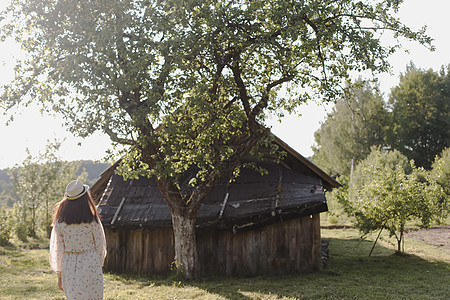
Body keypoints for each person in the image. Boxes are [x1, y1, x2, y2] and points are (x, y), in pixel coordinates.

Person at [49, 180, 107, 300]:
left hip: (69, 264)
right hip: (91, 262)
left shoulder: (60, 223)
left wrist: (59, 274)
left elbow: (58, 250)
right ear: (86, 198)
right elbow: (100, 244)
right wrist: (98, 263)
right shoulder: (92, 220)